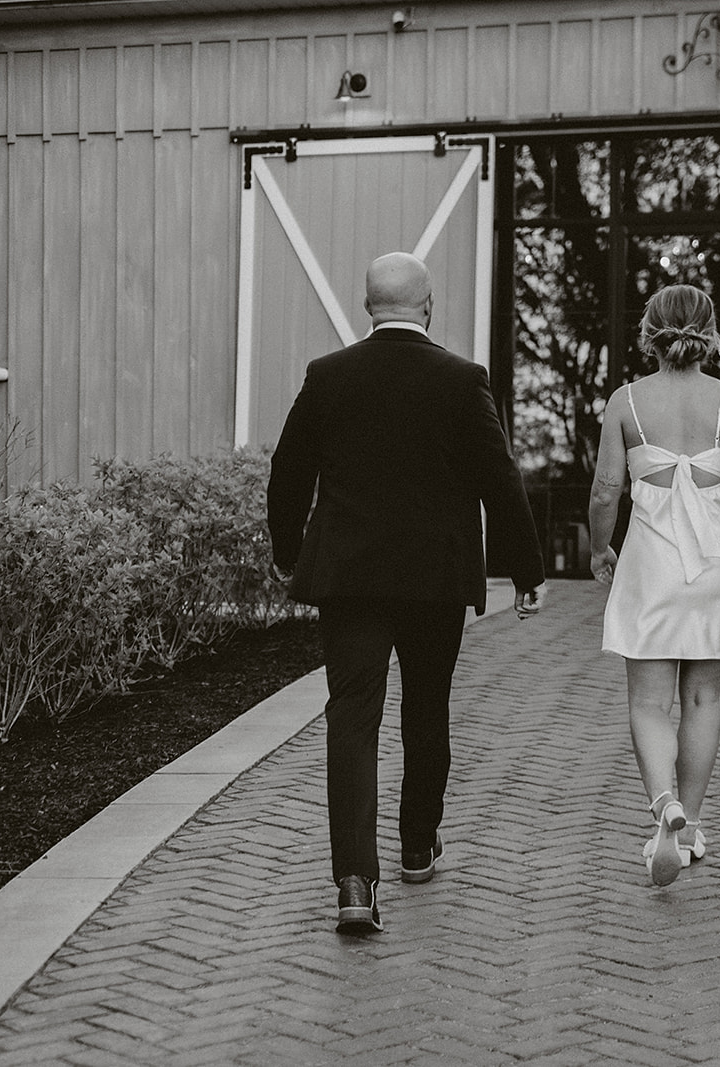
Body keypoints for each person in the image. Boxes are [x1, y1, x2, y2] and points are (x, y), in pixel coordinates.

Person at [268, 251, 546, 934]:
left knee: (351, 718)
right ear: (428, 305)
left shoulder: (328, 375)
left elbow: (288, 470)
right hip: (434, 579)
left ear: (368, 306)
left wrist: (286, 552)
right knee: (427, 707)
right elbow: (500, 478)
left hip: (350, 579)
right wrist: (526, 571)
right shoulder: (461, 379)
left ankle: (355, 881)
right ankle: (417, 844)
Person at [588, 284, 720, 888]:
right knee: (702, 700)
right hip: (719, 564)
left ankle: (662, 802)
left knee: (649, 702)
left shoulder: (625, 401)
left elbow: (605, 492)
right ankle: (689, 825)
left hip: (651, 563)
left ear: (649, 333)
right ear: (710, 334)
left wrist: (599, 548)